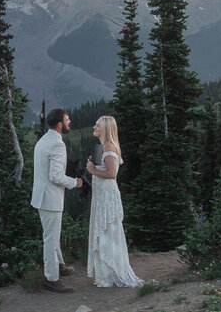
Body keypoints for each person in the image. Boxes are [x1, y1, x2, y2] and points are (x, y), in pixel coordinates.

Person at [86, 115, 143, 288]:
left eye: (97, 125)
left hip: (106, 196)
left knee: (108, 232)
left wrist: (92, 170)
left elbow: (111, 174)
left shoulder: (108, 146)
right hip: (102, 196)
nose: (94, 127)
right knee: (106, 233)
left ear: (105, 128)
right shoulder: (105, 146)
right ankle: (106, 276)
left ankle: (111, 275)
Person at [31, 108, 83, 293]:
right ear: (60, 125)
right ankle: (51, 279)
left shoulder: (44, 140)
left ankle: (59, 265)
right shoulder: (57, 145)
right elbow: (55, 176)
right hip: (50, 199)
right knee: (51, 238)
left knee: (52, 234)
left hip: (42, 197)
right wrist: (75, 183)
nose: (70, 122)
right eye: (68, 120)